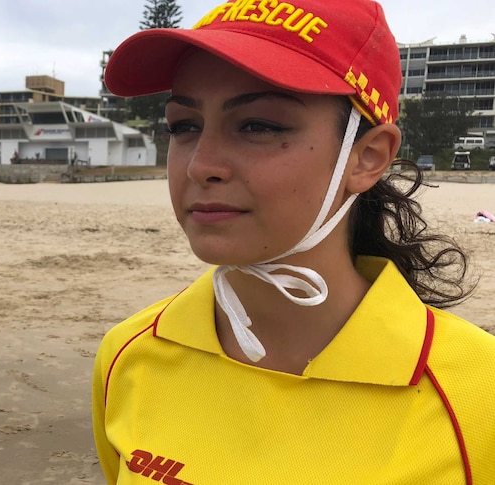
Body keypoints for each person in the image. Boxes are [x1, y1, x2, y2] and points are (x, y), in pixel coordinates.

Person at [91, 1, 495, 484]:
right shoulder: (128, 355)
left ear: (366, 158)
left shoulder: (476, 393)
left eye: (259, 125)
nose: (201, 165)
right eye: (184, 126)